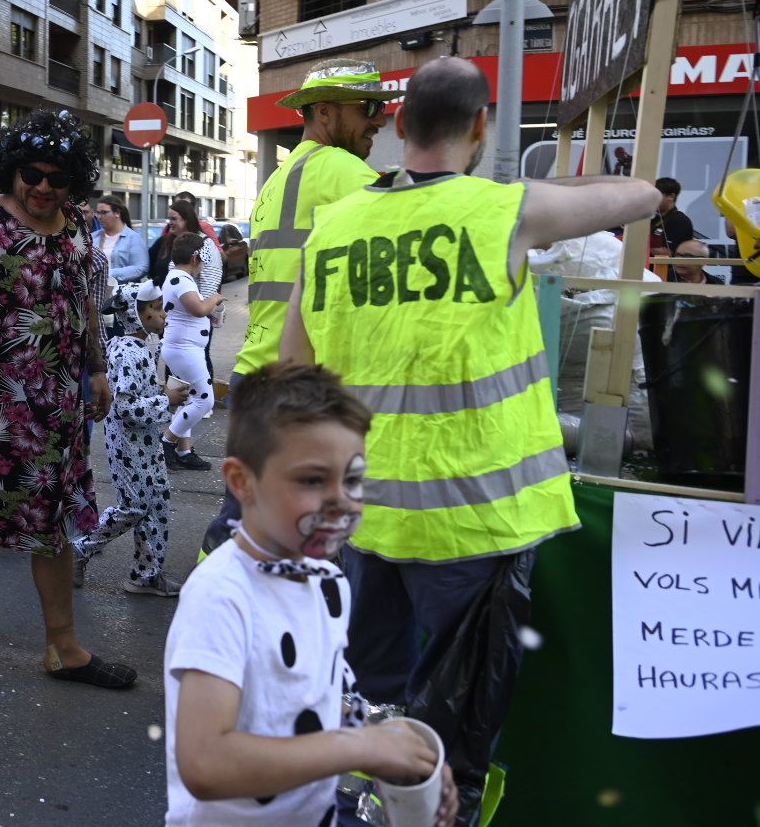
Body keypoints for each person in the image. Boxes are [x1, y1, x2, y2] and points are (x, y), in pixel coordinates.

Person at [282, 56, 660, 823]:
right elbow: (642, 196)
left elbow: (295, 363)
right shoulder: (502, 212)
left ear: (394, 126)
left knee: (371, 694)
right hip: (472, 518)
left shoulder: (336, 225)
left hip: (365, 512)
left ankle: (359, 803)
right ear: (482, 126)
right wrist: (545, 187)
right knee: (450, 723)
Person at [166, 363, 457, 827]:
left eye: (354, 480)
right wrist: (358, 748)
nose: (342, 500)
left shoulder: (326, 581)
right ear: (242, 482)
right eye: (312, 480)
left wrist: (391, 745)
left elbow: (306, 699)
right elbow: (206, 765)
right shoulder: (223, 594)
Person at [0, 109, 130, 687]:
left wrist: (98, 370)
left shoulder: (79, 226)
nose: (42, 187)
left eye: (57, 178)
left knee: (54, 519)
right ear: (11, 171)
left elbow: (85, 300)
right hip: (1, 407)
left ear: (73, 182)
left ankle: (64, 647)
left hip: (62, 407)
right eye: (31, 173)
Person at [235, 60, 388, 388]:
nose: (379, 120)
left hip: (255, 373)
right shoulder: (342, 168)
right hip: (297, 383)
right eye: (369, 107)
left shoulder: (277, 179)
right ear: (324, 112)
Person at [73, 282, 182, 596]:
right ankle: (79, 550)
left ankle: (147, 575)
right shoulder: (124, 351)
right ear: (138, 315)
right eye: (157, 309)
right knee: (134, 506)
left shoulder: (143, 346)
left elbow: (137, 397)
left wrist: (161, 394)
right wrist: (167, 400)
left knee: (157, 501)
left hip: (146, 442)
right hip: (128, 445)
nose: (163, 315)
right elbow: (124, 408)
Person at [159, 233, 224, 473]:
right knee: (204, 399)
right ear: (196, 257)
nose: (205, 266)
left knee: (187, 399)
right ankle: (167, 443)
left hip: (184, 348)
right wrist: (214, 299)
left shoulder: (178, 278)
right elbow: (198, 310)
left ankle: (184, 451)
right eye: (204, 261)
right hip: (184, 350)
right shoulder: (181, 279)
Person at [149, 201, 221, 291]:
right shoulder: (164, 241)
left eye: (174, 219)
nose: (170, 222)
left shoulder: (205, 244)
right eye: (169, 219)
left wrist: (201, 305)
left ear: (187, 219)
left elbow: (210, 283)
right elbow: (150, 265)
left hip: (194, 303)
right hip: (167, 302)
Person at [92, 196, 150, 283]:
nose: (99, 217)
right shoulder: (92, 237)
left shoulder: (133, 238)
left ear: (117, 213)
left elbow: (141, 268)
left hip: (122, 292)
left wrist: (108, 274)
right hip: (95, 292)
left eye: (104, 212)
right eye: (98, 213)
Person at [650, 176, 696, 275]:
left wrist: (637, 248)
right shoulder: (653, 220)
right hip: (650, 274)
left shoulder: (680, 221)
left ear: (671, 196)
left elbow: (668, 253)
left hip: (667, 276)